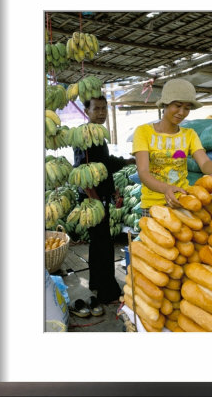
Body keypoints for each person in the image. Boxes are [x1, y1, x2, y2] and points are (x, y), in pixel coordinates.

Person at [72, 95, 135, 315]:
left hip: (99, 197)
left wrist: (125, 163)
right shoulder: (84, 136)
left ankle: (98, 285)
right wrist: (95, 199)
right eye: (96, 108)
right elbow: (82, 169)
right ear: (86, 110)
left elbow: (104, 164)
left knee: (98, 244)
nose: (101, 113)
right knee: (104, 245)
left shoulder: (99, 136)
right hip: (92, 200)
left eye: (104, 109)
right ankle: (107, 291)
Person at [132, 78, 212, 215]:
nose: (182, 112)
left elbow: (204, 162)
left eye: (187, 108)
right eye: (177, 105)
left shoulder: (189, 135)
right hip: (153, 205)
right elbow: (143, 172)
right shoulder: (143, 132)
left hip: (182, 201)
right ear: (165, 104)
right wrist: (166, 188)